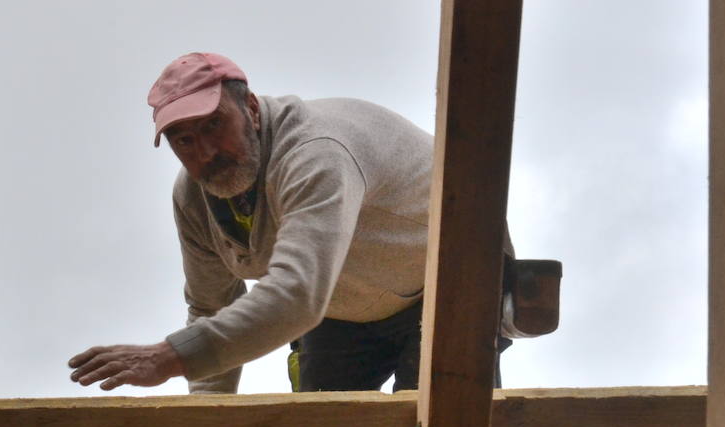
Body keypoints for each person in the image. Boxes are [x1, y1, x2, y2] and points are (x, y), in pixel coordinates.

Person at [68, 51, 490, 394]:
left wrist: (168, 358)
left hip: (450, 282)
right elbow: (213, 306)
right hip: (339, 313)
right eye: (185, 139)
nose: (207, 151)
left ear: (250, 109)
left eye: (215, 124)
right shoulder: (195, 200)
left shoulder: (316, 153)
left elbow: (298, 293)